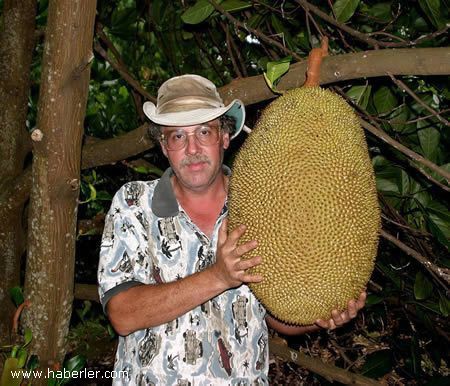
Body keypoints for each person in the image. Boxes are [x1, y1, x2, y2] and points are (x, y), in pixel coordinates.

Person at [97, 74, 366, 385]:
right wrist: (219, 276)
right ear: (163, 145)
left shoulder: (263, 202)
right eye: (178, 137)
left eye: (204, 131)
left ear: (224, 137)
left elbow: (278, 315)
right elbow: (123, 315)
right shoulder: (134, 203)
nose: (193, 148)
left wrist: (321, 317)